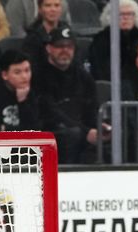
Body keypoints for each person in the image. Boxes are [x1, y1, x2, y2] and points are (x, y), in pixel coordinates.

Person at [34, 27, 107, 163]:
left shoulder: (83, 76)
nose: (65, 51)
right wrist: (86, 132)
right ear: (49, 48)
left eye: (69, 46)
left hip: (81, 132)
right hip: (52, 133)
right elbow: (50, 113)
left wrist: (98, 128)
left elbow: (92, 109)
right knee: (73, 135)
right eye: (59, 46)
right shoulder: (39, 76)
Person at [87, 0, 138, 81]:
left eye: (130, 14)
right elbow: (101, 72)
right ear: (110, 17)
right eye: (121, 14)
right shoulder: (101, 40)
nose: (126, 18)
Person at [6, 0, 71, 39]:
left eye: (56, 5)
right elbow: (16, 29)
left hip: (58, 43)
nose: (53, 9)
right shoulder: (17, 2)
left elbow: (66, 26)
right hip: (29, 41)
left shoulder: (62, 3)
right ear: (40, 9)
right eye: (48, 5)